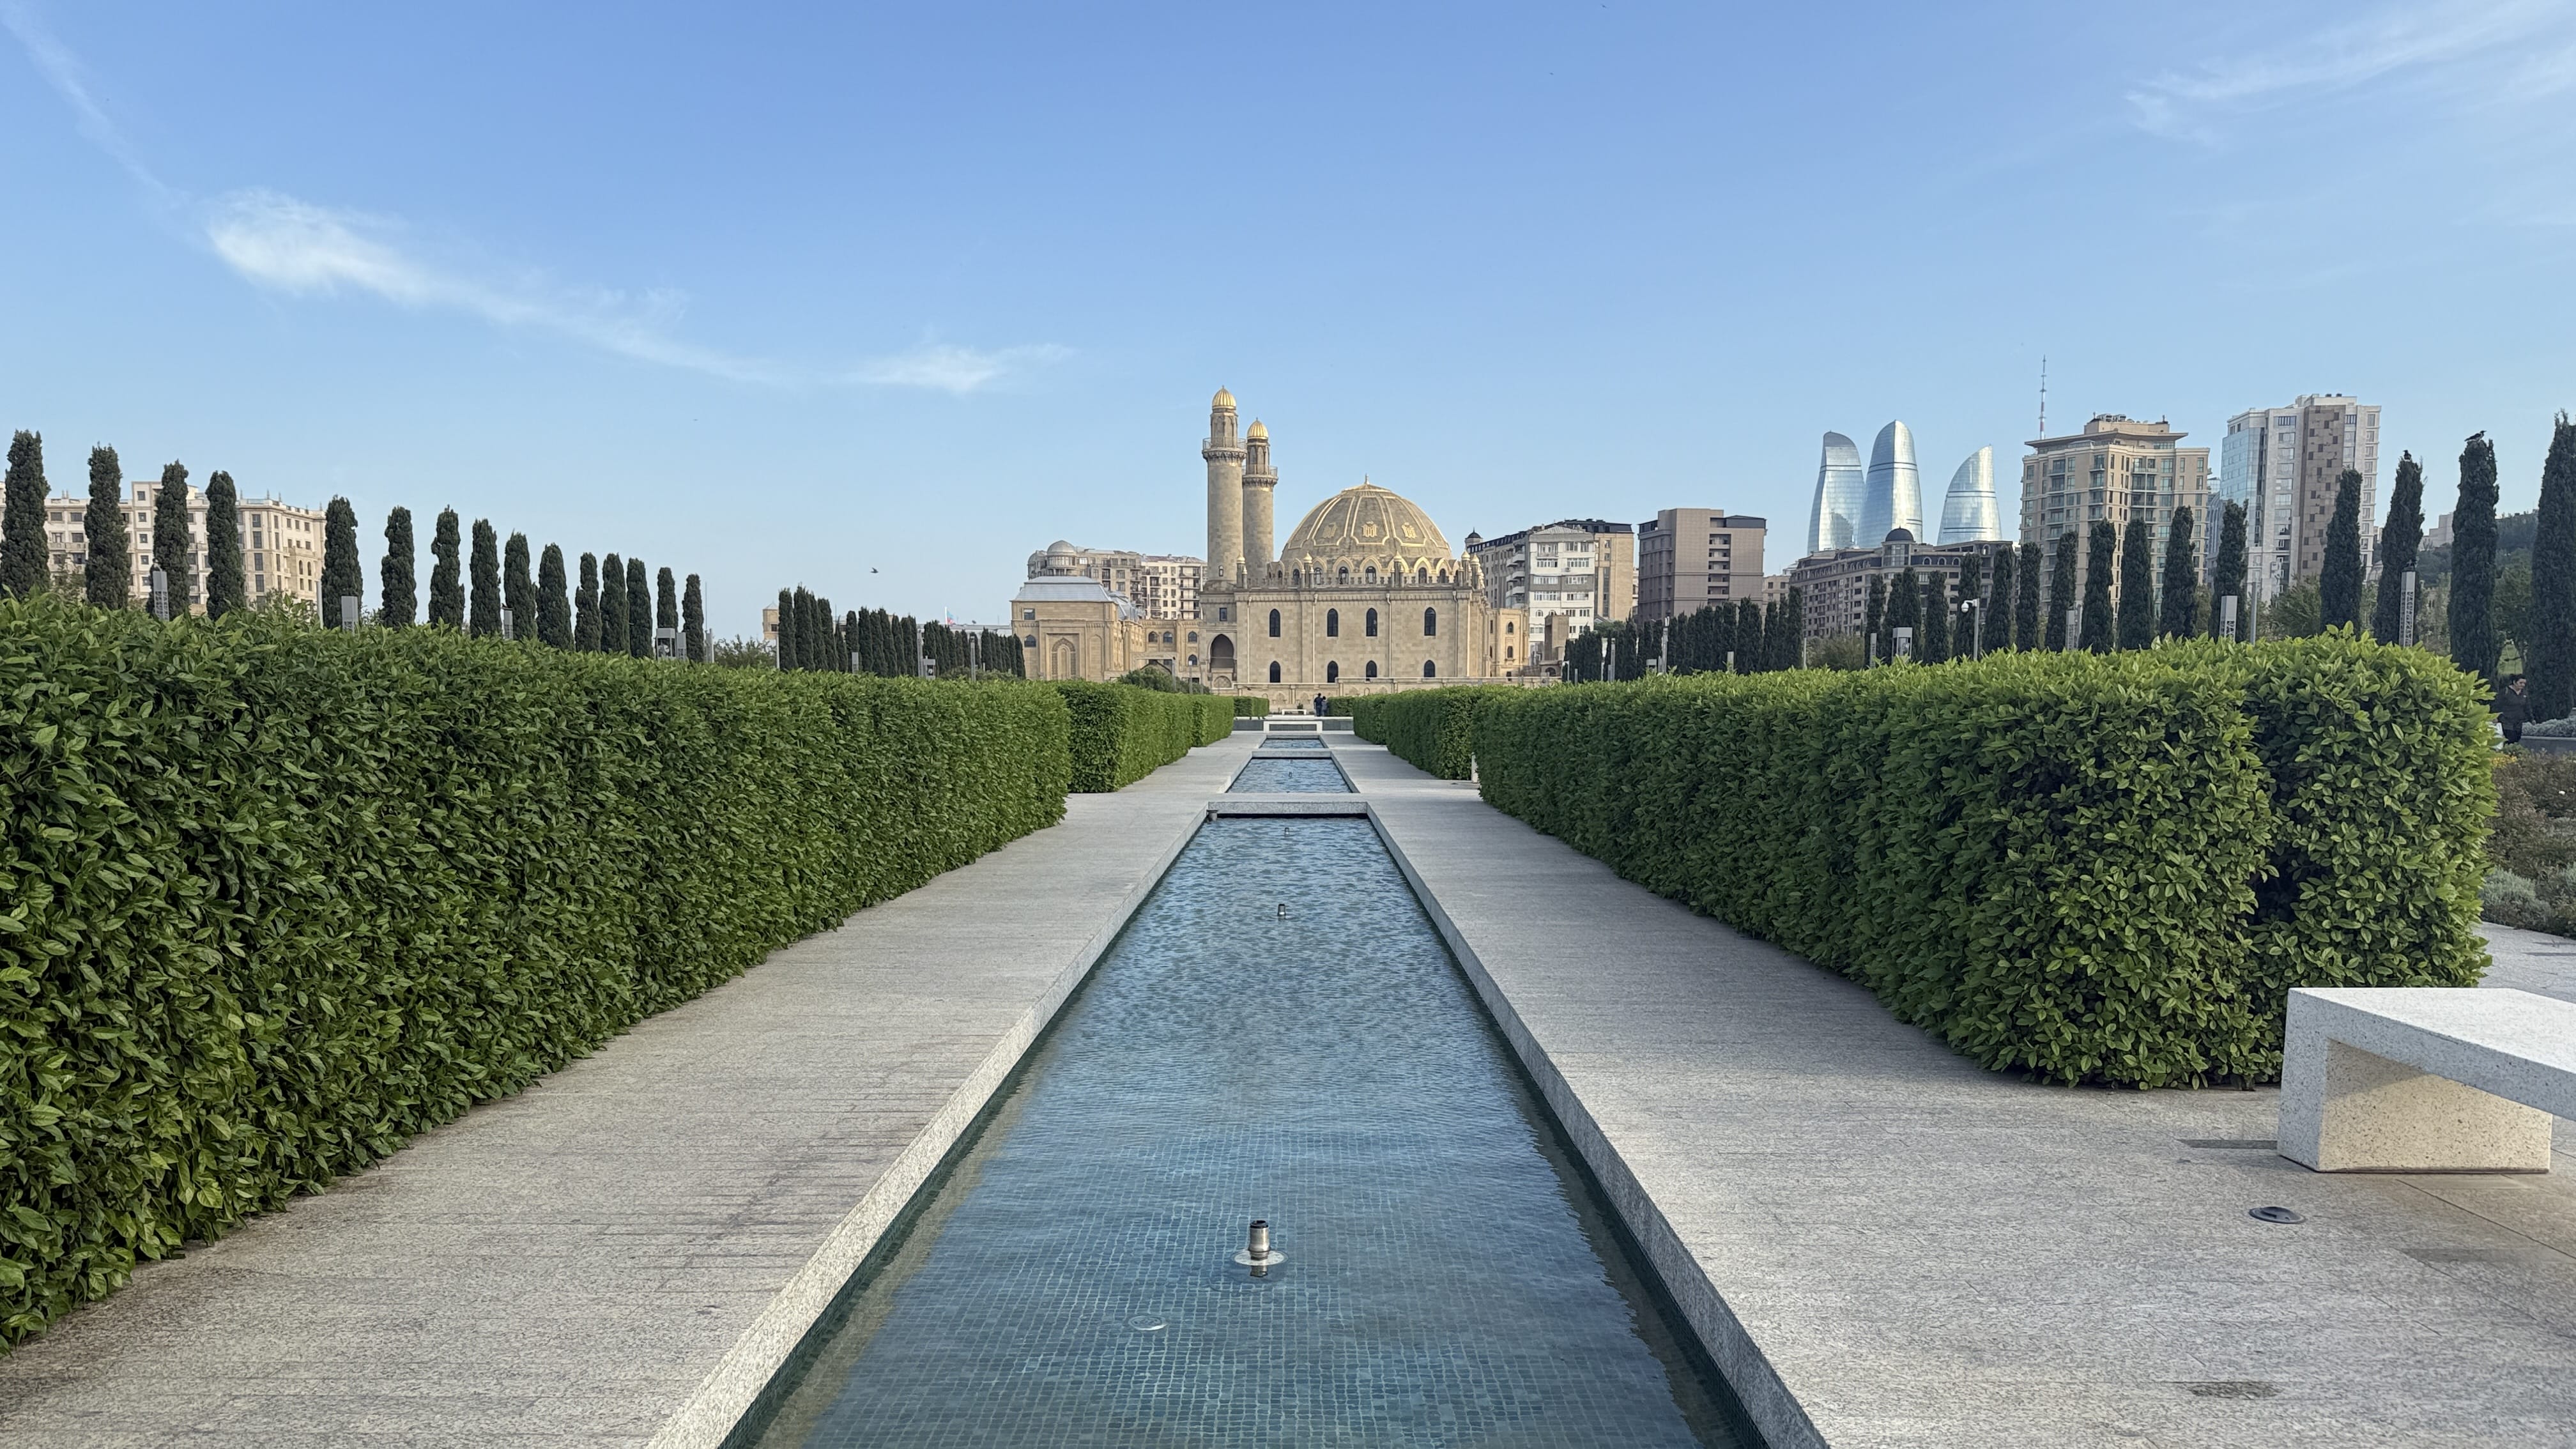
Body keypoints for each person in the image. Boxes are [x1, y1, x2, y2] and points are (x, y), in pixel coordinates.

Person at [2501, 675, 2529, 744]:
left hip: (2519, 722)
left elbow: (2527, 707)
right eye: (2521, 683)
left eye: (2524, 683)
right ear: (2514, 682)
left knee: (2517, 739)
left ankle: (2513, 754)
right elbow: (2498, 705)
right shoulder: (2505, 692)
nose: (2523, 685)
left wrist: (2532, 719)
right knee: (2510, 739)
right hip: (2507, 721)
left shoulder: (2524, 693)